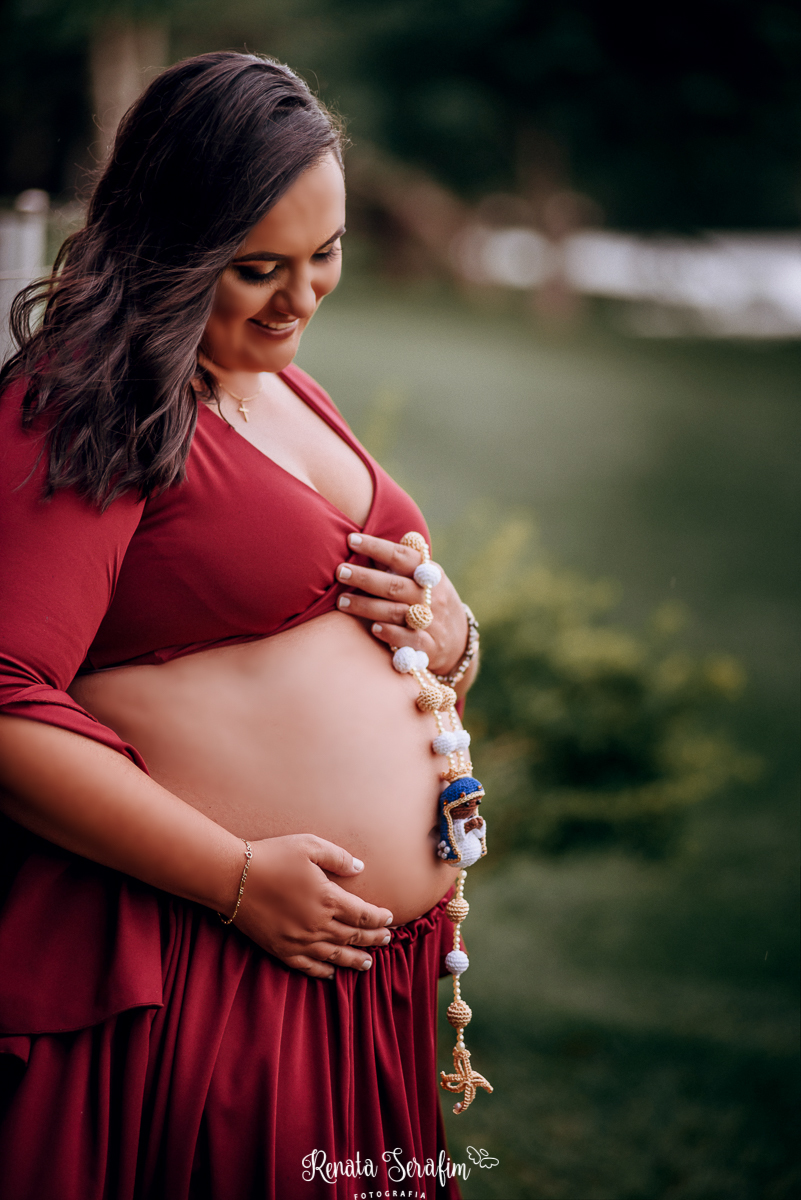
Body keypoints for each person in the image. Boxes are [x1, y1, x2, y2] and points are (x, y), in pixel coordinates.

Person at [0, 52, 482, 1199]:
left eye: (327, 256)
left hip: (355, 984)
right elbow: (5, 692)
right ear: (165, 244)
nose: (302, 297)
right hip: (208, 971)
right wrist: (232, 878)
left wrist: (453, 635)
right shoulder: (92, 401)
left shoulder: (275, 380)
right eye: (260, 267)